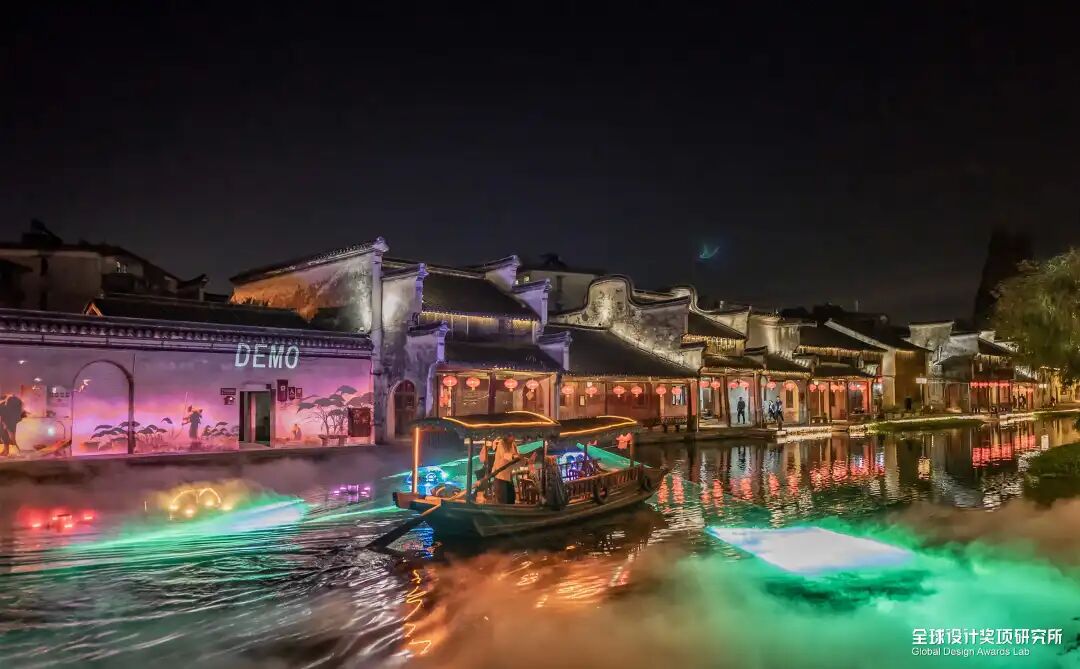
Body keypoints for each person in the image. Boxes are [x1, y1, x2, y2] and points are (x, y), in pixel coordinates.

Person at [491, 436, 519, 504]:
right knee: (503, 502)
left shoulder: (513, 444)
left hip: (509, 477)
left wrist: (527, 461)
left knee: (511, 500)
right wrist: (514, 456)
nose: (513, 438)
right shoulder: (501, 443)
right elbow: (504, 455)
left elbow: (518, 457)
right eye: (512, 436)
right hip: (500, 477)